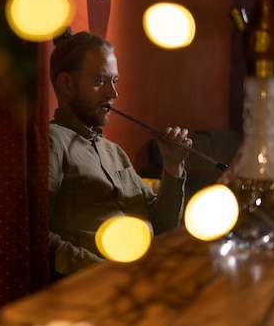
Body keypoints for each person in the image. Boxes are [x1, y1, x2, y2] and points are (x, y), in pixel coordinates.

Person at [48, 30, 192, 278]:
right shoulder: (53, 141)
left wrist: (172, 165)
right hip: (101, 290)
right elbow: (37, 236)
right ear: (67, 84)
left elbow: (163, 227)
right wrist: (106, 274)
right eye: (100, 81)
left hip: (150, 274)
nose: (113, 94)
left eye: (115, 81)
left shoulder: (115, 152)